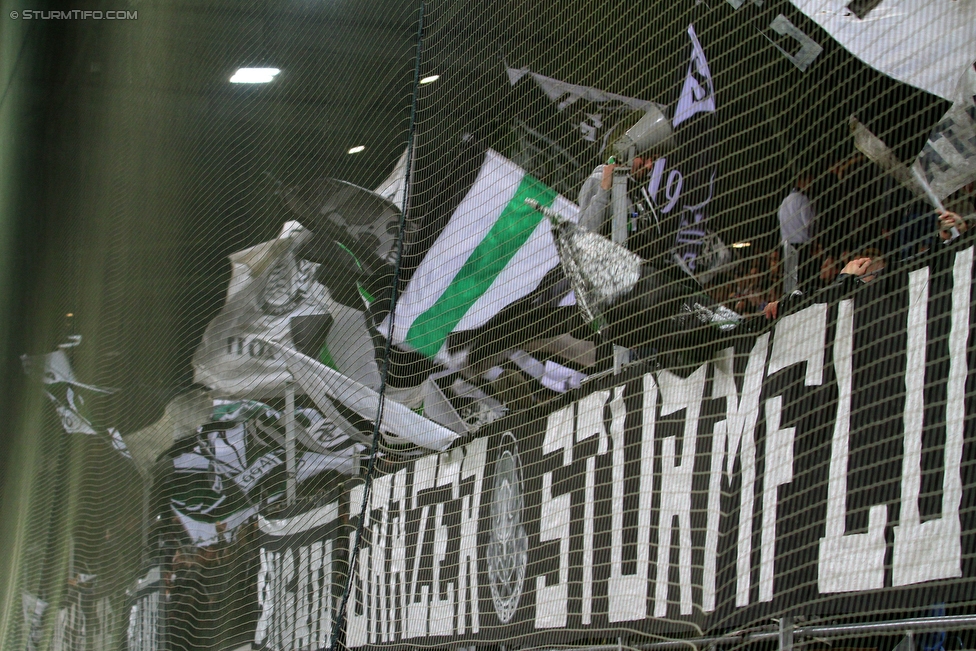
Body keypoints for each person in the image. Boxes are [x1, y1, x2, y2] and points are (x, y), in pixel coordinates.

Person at [777, 172, 816, 293]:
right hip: (801, 246)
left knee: (789, 281)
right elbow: (808, 222)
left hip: (787, 246)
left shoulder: (783, 202)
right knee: (802, 282)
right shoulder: (803, 199)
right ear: (801, 181)